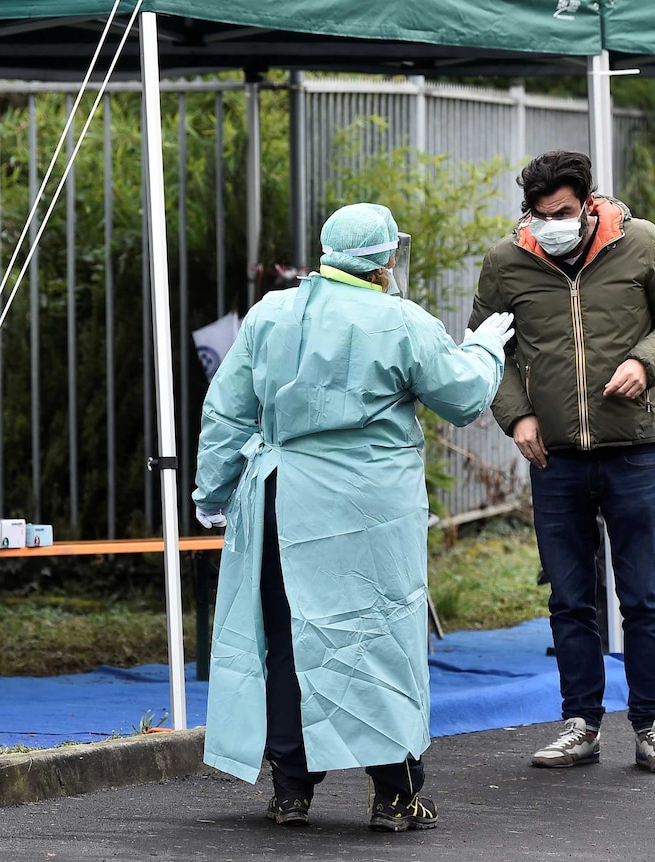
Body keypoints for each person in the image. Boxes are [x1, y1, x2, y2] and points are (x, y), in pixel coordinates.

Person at [193, 202, 513, 832]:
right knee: (382, 636)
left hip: (283, 496)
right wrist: (483, 350)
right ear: (387, 259)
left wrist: (213, 491)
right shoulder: (401, 320)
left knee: (286, 637)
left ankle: (290, 788)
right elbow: (461, 397)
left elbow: (226, 410)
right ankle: (394, 794)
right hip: (369, 507)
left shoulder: (271, 314)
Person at [469, 149, 655, 775]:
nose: (555, 223)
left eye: (566, 212)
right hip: (555, 459)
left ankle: (653, 724)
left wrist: (645, 361)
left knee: (644, 594)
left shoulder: (641, 242)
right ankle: (581, 722)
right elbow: (485, 348)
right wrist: (516, 416)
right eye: (543, 215)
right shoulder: (507, 262)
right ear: (530, 213)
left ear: (589, 203)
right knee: (570, 598)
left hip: (629, 450)